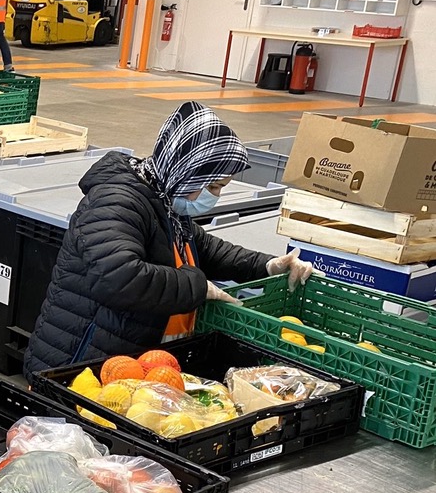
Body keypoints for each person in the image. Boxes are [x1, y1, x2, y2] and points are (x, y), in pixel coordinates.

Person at [23, 102, 315, 381]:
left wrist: (267, 265)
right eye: (212, 185)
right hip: (79, 367)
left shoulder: (164, 199)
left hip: (129, 365)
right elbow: (119, 278)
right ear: (186, 171)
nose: (215, 196)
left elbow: (201, 248)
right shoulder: (116, 202)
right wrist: (198, 287)